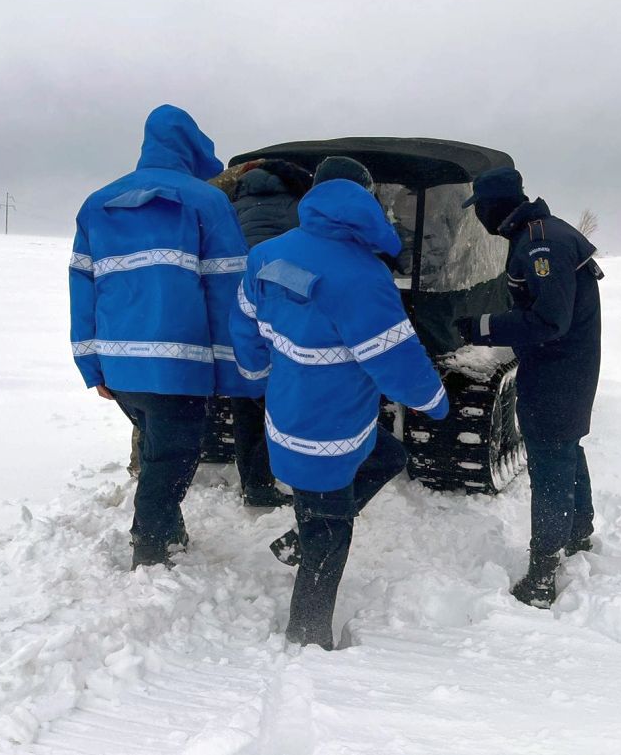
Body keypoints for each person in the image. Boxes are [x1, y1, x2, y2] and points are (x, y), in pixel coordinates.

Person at [230, 156, 449, 650]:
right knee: (331, 532)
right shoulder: (363, 276)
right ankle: (307, 634)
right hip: (330, 434)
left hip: (288, 415)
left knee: (389, 455)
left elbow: (243, 323)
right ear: (366, 200)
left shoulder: (267, 254)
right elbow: (396, 359)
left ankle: (296, 541)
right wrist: (434, 402)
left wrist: (257, 373)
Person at [69, 104, 259, 569]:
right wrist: (236, 369)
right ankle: (150, 550)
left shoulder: (97, 203)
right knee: (170, 461)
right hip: (181, 366)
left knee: (159, 454)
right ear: (192, 147)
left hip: (119, 368)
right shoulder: (206, 202)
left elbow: (82, 291)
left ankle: (168, 532)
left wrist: (91, 364)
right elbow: (226, 292)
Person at [455, 166, 603, 609]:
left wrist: (481, 327)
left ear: (494, 204)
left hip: (559, 371)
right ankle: (578, 533)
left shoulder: (543, 243)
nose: (478, 216)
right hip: (562, 367)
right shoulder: (537, 234)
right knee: (564, 448)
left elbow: (549, 320)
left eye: (478, 207)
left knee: (551, 458)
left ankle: (543, 573)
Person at [226, 159, 315, 507]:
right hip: (284, 312)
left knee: (246, 400)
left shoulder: (231, 207)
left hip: (236, 309)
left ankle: (254, 482)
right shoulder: (300, 208)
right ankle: (284, 474)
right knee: (285, 398)